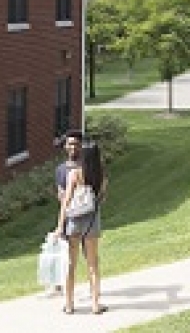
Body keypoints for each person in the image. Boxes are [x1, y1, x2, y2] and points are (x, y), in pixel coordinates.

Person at [55, 141, 109, 315]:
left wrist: (59, 226)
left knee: (71, 264)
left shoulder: (74, 174)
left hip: (74, 222)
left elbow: (66, 202)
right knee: (93, 264)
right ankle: (95, 305)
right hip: (92, 222)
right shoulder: (101, 176)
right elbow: (102, 199)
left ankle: (69, 305)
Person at [50, 130, 83, 296]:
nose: (73, 147)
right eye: (70, 144)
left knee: (83, 257)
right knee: (65, 253)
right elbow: (60, 194)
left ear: (81, 146)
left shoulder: (86, 167)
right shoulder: (60, 169)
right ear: (65, 146)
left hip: (85, 217)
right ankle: (59, 284)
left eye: (76, 144)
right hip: (67, 215)